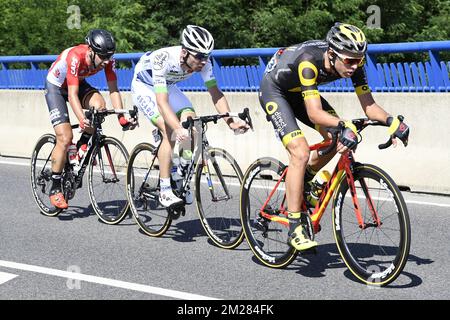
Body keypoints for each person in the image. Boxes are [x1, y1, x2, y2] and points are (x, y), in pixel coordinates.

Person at [259, 22, 410, 251]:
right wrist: (343, 124)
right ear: (332, 53)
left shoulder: (354, 64)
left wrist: (392, 122)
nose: (354, 66)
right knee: (300, 152)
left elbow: (369, 106)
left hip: (301, 93)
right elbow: (314, 113)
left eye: (359, 60)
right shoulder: (309, 61)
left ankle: (307, 180)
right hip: (276, 91)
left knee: (338, 136)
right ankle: (294, 227)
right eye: (349, 60)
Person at [131, 25, 249, 208]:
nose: (204, 61)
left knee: (193, 124)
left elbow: (215, 93)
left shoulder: (204, 63)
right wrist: (177, 129)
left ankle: (179, 172)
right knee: (168, 129)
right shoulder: (163, 59)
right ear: (184, 52)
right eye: (200, 56)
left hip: (169, 86)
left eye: (207, 56)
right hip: (145, 87)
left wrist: (231, 122)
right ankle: (164, 190)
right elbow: (162, 102)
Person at [45, 29, 136, 209]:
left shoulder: (108, 60)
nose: (106, 62)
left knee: (99, 107)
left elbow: (114, 90)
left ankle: (80, 149)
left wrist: (121, 117)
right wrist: (81, 118)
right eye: (102, 57)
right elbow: (72, 95)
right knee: (65, 138)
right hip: (57, 87)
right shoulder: (75, 57)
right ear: (91, 51)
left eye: (109, 57)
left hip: (78, 83)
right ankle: (55, 188)